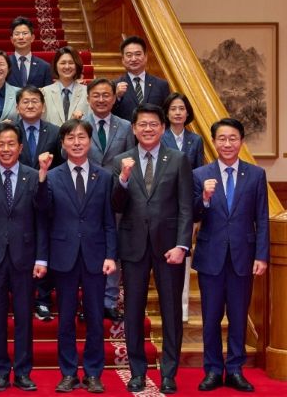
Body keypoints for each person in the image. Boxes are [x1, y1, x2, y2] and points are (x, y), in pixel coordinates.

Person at [111, 103, 193, 394]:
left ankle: (169, 373)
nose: (148, 129)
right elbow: (115, 205)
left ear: (163, 127)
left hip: (169, 248)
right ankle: (137, 371)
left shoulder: (178, 159)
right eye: (142, 124)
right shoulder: (121, 161)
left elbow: (186, 206)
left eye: (153, 124)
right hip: (133, 246)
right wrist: (122, 179)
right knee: (133, 310)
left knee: (171, 312)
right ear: (134, 129)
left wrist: (182, 245)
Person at [0, 123, 50, 392]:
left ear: (20, 147)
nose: (5, 149)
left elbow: (43, 215)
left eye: (11, 143)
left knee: (24, 317)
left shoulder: (33, 175)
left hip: (24, 256)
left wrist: (42, 258)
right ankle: (1, 371)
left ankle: (23, 372)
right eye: (0, 144)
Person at [192, 118, 268, 393]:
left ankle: (235, 369)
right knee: (211, 318)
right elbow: (193, 213)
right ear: (213, 142)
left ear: (241, 141)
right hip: (211, 256)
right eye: (222, 138)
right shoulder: (200, 174)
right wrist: (205, 198)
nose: (227, 143)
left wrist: (261, 256)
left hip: (243, 257)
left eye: (232, 138)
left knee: (238, 318)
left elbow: (262, 218)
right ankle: (213, 369)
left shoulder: (256, 174)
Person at [47, 119, 117, 394]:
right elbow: (44, 216)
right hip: (63, 256)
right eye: (70, 138)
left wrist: (111, 255)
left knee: (95, 318)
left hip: (95, 257)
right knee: (65, 319)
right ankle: (67, 373)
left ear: (90, 141)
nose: (76, 142)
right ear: (63, 143)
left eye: (81, 137)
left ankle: (93, 373)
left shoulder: (104, 176)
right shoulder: (52, 176)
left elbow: (109, 221)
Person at [83, 78, 135, 321]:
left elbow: (132, 157)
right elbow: (66, 153)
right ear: (88, 98)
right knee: (87, 247)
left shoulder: (125, 126)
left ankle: (110, 300)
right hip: (86, 193)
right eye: (96, 95)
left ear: (114, 99)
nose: (101, 99)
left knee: (114, 247)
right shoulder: (80, 124)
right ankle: (87, 301)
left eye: (106, 95)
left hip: (117, 194)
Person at [14, 86, 62, 322]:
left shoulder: (55, 132)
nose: (30, 105)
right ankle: (20, 296)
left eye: (35, 101)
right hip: (17, 197)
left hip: (47, 196)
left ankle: (43, 298)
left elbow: (61, 166)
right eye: (25, 101)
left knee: (45, 244)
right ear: (17, 107)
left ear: (43, 106)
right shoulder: (10, 132)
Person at [161, 92, 205, 323]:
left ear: (188, 113)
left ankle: (183, 310)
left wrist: (197, 216)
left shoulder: (195, 140)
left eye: (181, 108)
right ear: (166, 113)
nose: (178, 113)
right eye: (173, 109)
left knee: (184, 256)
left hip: (186, 205)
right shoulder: (159, 136)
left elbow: (198, 176)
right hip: (163, 205)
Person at [112, 36, 169, 122]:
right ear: (123, 60)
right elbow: (107, 115)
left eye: (138, 54)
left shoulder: (161, 85)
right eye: (129, 55)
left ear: (145, 57)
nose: (134, 59)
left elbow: (167, 115)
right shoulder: (114, 85)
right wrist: (116, 97)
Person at [41, 46, 88, 126]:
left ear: (77, 65)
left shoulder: (87, 93)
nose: (67, 67)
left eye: (71, 63)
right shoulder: (44, 92)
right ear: (56, 66)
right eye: (63, 63)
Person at [6, 16, 52, 88]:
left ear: (32, 38)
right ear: (12, 39)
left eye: (25, 33)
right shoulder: (5, 64)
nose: (21, 37)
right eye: (17, 34)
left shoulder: (44, 67)